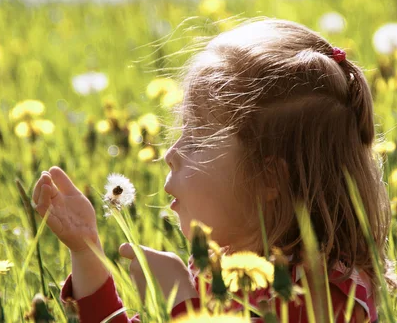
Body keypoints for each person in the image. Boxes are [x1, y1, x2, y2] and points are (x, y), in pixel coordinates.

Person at [32, 18, 395, 322]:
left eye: (197, 140)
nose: (171, 152)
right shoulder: (216, 270)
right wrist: (87, 254)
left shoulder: (324, 296)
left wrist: (182, 303)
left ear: (268, 177)